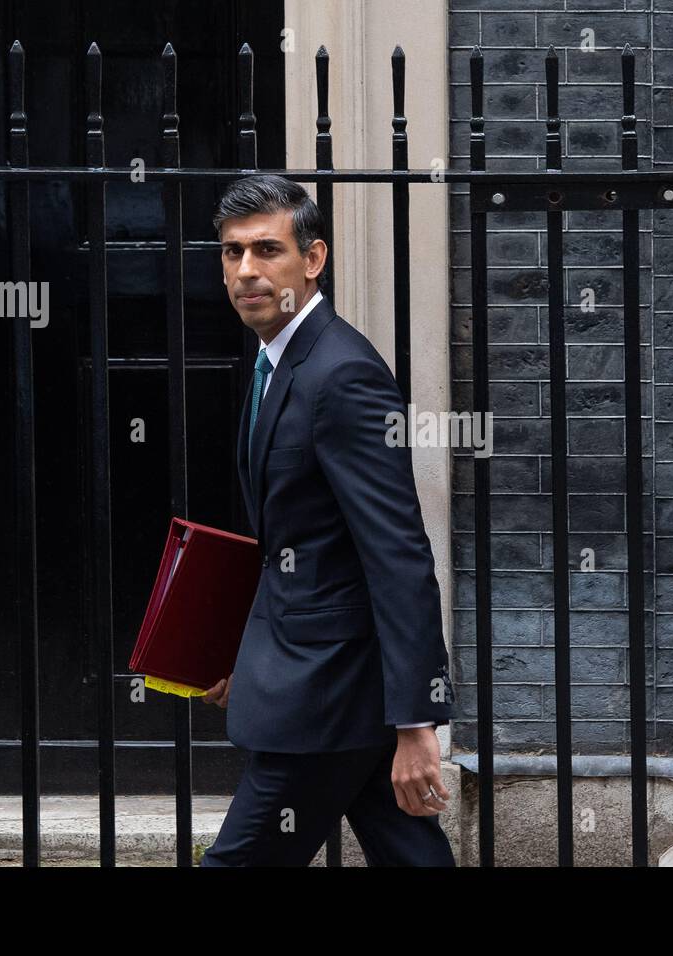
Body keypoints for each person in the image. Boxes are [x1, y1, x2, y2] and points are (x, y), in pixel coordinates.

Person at [198, 174, 456, 867]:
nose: (246, 270)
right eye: (231, 253)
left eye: (266, 251)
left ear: (313, 260)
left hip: (323, 703)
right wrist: (241, 656)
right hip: (328, 687)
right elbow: (296, 546)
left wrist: (415, 721)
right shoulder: (277, 364)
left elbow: (397, 553)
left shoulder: (341, 375)